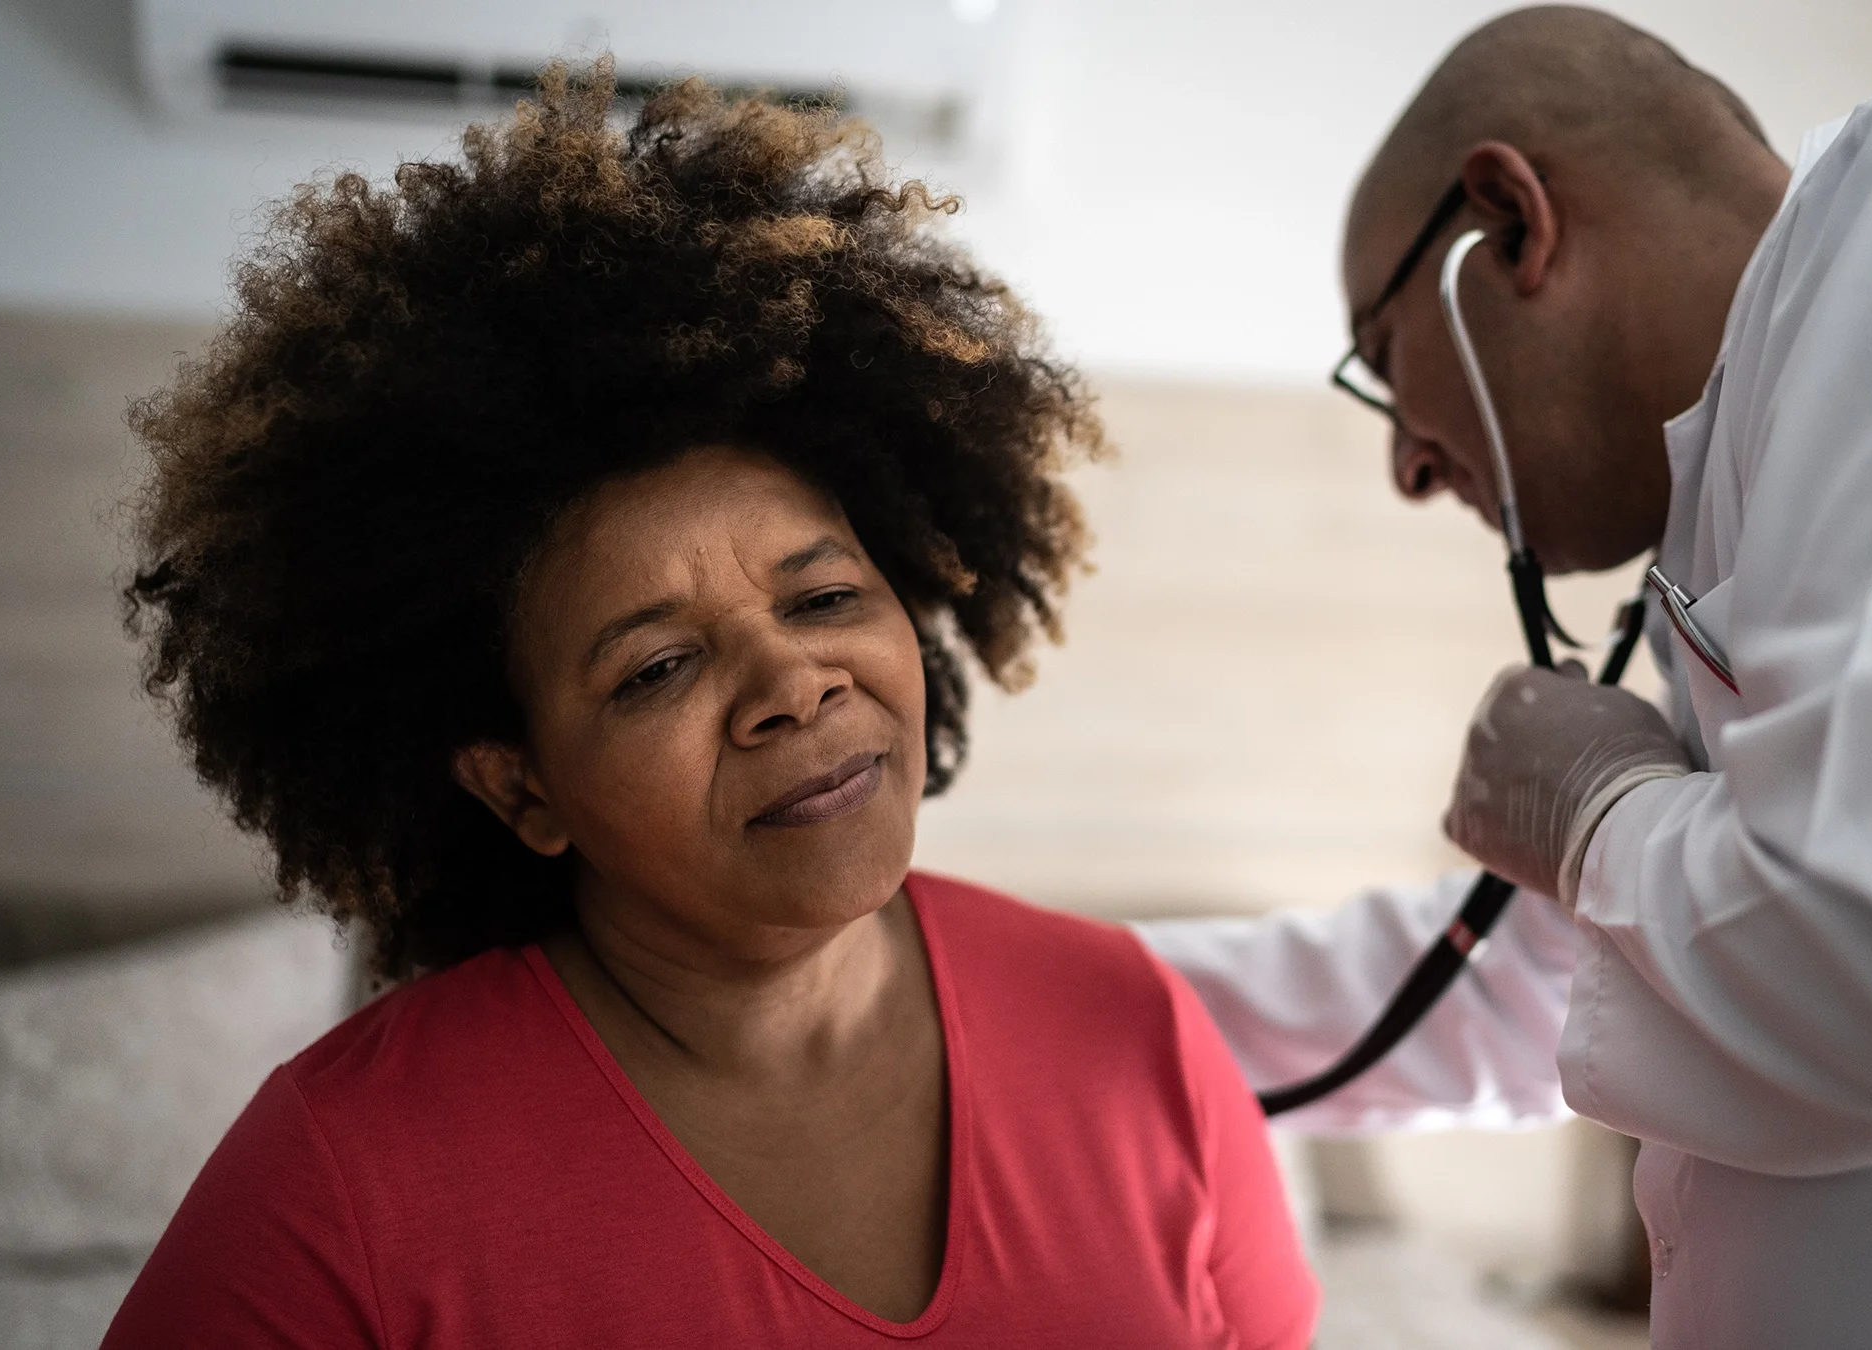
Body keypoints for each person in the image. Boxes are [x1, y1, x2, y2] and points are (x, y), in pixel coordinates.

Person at [1140, 7, 1872, 1345]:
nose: (1405, 462)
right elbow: (1542, 983)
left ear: (1513, 224)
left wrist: (1597, 809)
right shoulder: (1752, 499)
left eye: (1384, 359)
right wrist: (1006, 988)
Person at [103, 65, 1317, 1349]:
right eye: (657, 669)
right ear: (522, 787)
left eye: (824, 597)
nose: (793, 684)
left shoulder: (1136, 1024)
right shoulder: (339, 1179)